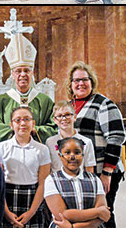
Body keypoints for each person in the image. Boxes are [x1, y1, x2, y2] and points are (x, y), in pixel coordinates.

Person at [66, 61, 126, 228]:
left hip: (104, 170)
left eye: (85, 79)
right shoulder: (70, 106)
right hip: (85, 171)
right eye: (76, 80)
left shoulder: (103, 104)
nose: (80, 84)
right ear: (70, 84)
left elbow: (116, 137)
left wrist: (107, 172)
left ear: (92, 82)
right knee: (89, 214)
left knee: (104, 212)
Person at [0, 33, 57, 146]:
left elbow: (54, 127)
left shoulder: (45, 101)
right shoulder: (1, 101)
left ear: (32, 73)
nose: (23, 74)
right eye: (18, 71)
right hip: (9, 154)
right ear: (12, 74)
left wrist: (35, 130)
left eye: (26, 70)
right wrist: (18, 130)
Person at [0, 106, 51, 228]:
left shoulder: (42, 149)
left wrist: (31, 212)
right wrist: (6, 212)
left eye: (27, 119)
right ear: (11, 124)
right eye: (18, 120)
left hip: (33, 199)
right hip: (6, 198)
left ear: (33, 123)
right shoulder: (1, 147)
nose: (23, 123)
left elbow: (43, 183)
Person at [44, 137, 110, 228]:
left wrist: (73, 227)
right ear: (60, 155)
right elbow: (62, 214)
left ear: (83, 155)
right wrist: (97, 212)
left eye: (77, 152)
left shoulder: (94, 179)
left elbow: (104, 216)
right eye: (67, 152)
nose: (72, 156)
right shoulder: (51, 180)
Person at [46, 100, 96, 173]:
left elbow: (89, 171)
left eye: (67, 114)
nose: (64, 118)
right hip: (56, 182)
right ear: (55, 120)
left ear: (75, 117)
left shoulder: (86, 142)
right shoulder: (50, 142)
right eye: (59, 116)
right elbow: (48, 169)